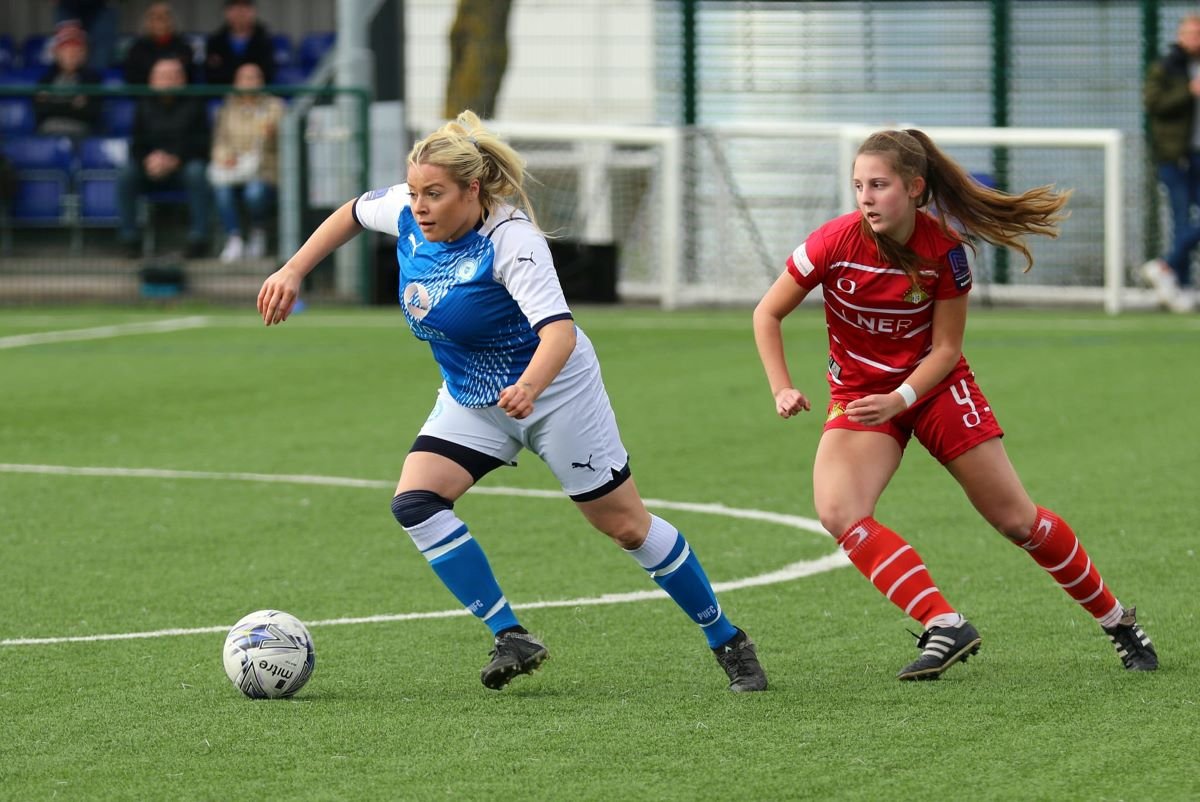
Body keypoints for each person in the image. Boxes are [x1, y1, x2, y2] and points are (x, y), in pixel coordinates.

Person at [256, 110, 768, 693]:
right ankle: (510, 634)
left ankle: (727, 639)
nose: (420, 206)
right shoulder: (406, 209)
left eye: (435, 195)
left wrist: (528, 386)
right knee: (416, 502)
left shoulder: (512, 241)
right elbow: (351, 212)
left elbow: (559, 332)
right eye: (416, 192)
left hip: (555, 395)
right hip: (473, 395)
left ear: (472, 190)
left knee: (624, 526)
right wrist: (293, 269)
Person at [752, 128, 1158, 681]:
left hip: (935, 389)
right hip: (862, 397)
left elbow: (946, 351)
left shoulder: (943, 250)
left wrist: (900, 397)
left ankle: (1118, 622)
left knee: (1019, 521)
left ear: (915, 188)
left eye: (879, 184)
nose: (866, 197)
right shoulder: (831, 244)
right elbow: (766, 313)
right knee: (839, 512)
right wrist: (782, 386)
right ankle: (943, 623)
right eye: (858, 186)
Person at [117, 56, 211, 259]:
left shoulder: (195, 103)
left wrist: (175, 159)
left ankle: (199, 239)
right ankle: (130, 240)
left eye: (173, 76)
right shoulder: (144, 104)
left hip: (182, 168)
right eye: (162, 76)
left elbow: (202, 144)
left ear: (183, 80)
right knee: (126, 174)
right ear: (152, 81)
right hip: (150, 168)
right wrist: (148, 160)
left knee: (197, 172)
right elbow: (136, 145)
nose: (168, 81)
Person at [1142, 13, 1200, 314]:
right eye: (1190, 33)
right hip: (1175, 154)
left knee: (1194, 222)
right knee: (1181, 220)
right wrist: (1188, 92)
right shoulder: (1166, 67)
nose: (1194, 39)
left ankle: (1165, 266)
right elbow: (1154, 105)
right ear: (1180, 35)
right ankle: (1180, 285)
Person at [210, 62, 284, 262]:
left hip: (265, 169)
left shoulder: (275, 106)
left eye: (255, 77)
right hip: (233, 169)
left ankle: (257, 233)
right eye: (245, 78)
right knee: (222, 191)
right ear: (236, 82)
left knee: (255, 193)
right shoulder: (227, 108)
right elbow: (220, 141)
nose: (250, 82)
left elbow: (284, 142)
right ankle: (234, 238)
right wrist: (226, 157)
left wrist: (272, 134)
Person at [32, 25, 102, 139]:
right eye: (66, 49)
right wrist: (72, 105)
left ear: (83, 54)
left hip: (80, 136)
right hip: (48, 134)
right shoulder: (46, 79)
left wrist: (52, 102)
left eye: (76, 50)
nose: (71, 55)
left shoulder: (92, 79)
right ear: (57, 53)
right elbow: (40, 111)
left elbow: (91, 114)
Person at [204, 0, 277, 86]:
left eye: (245, 7)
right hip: (224, 94)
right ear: (227, 12)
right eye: (235, 7)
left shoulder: (265, 40)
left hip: (257, 93)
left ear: (253, 11)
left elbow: (268, 72)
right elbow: (212, 74)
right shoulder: (215, 42)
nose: (240, 12)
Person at [122, 2, 195, 85]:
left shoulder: (184, 46)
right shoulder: (137, 48)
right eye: (154, 16)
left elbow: (189, 75)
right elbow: (133, 78)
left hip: (179, 95)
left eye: (165, 15)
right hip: (146, 95)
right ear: (147, 21)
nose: (160, 19)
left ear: (173, 20)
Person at [54, 0, 119, 73]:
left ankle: (93, 81)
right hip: (68, 6)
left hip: (102, 6)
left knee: (101, 57)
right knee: (69, 56)